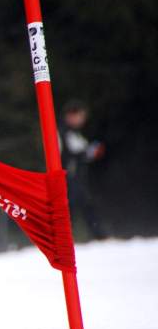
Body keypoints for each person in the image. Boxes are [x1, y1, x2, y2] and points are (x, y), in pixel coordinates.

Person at [58, 99, 107, 240]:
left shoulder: (73, 133)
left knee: (83, 206)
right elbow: (73, 153)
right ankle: (98, 236)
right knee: (76, 207)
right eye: (80, 116)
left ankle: (97, 235)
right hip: (69, 179)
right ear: (71, 115)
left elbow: (80, 152)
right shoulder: (64, 132)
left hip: (75, 178)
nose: (82, 119)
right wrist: (89, 152)